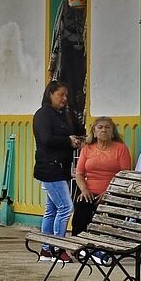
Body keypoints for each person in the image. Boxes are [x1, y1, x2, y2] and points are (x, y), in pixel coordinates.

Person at [32, 79, 85, 258]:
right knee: (66, 207)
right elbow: (46, 139)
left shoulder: (63, 114)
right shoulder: (43, 115)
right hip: (49, 169)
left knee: (52, 210)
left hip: (61, 168)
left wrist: (77, 140)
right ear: (50, 95)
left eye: (66, 96)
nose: (64, 99)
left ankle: (46, 249)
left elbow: (74, 131)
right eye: (60, 95)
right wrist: (68, 141)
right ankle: (58, 247)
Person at [71, 115, 132, 235]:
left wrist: (109, 193)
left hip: (114, 192)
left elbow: (125, 176)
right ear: (94, 132)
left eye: (108, 127)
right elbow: (79, 174)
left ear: (113, 132)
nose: (104, 130)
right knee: (81, 208)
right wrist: (84, 190)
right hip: (90, 192)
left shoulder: (121, 149)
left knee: (115, 215)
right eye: (100, 127)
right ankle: (78, 246)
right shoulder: (87, 149)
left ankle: (110, 246)